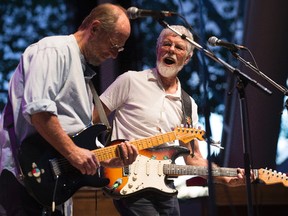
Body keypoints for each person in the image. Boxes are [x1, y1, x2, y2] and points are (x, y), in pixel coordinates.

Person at [0, 3, 138, 216]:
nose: (114, 55)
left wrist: (109, 158)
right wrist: (72, 152)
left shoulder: (83, 74)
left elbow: (77, 136)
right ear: (94, 28)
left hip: (53, 184)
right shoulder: (54, 50)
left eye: (119, 49)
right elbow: (39, 110)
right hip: (25, 176)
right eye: (113, 45)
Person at [99, 25, 252, 216]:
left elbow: (193, 158)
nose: (171, 49)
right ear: (158, 49)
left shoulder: (188, 105)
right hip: (127, 181)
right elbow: (93, 118)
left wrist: (224, 177)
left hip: (165, 186)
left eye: (179, 47)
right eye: (166, 44)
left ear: (187, 59)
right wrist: (102, 155)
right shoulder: (130, 81)